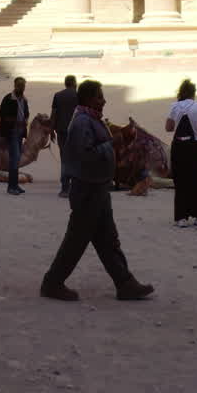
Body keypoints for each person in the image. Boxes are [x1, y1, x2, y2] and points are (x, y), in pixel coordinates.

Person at [40, 80, 154, 301]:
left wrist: (120, 140)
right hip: (87, 191)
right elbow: (85, 156)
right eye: (99, 96)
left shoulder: (92, 120)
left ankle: (125, 283)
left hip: (98, 189)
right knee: (76, 241)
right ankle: (52, 283)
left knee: (108, 240)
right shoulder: (82, 122)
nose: (103, 100)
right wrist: (112, 143)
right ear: (88, 99)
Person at [165, 79, 197, 227]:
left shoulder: (174, 106)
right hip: (196, 148)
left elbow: (168, 127)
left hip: (179, 147)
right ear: (193, 93)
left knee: (180, 182)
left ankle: (181, 218)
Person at [0, 76, 29, 197]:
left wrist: (25, 121)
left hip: (20, 133)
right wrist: (16, 122)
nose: (21, 87)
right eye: (19, 85)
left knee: (16, 159)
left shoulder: (24, 100)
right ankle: (11, 186)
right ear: (15, 85)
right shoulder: (8, 99)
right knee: (15, 158)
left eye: (23, 85)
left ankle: (15, 185)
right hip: (11, 132)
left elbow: (26, 113)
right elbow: (3, 116)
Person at [50, 75, 78, 198]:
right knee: (76, 158)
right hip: (77, 131)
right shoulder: (79, 96)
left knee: (65, 159)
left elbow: (54, 114)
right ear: (74, 83)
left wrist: (51, 130)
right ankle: (75, 185)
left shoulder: (58, 95)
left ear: (65, 83)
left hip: (61, 130)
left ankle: (65, 188)